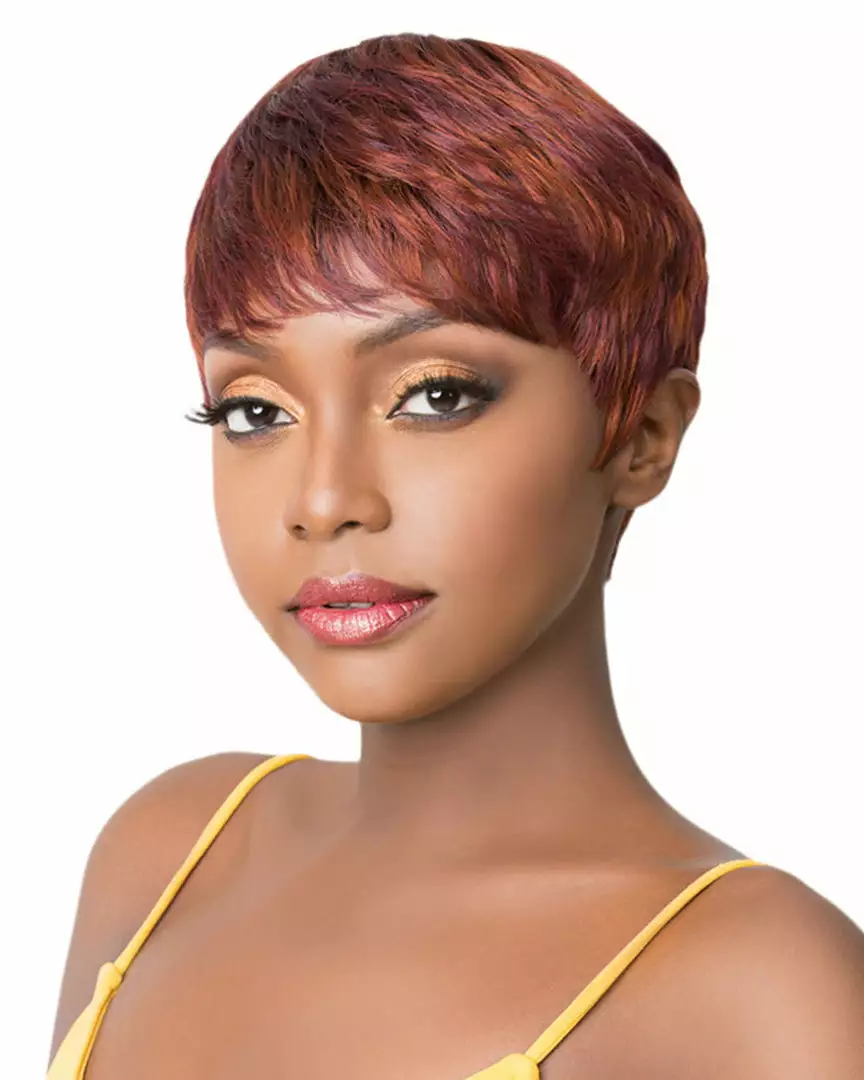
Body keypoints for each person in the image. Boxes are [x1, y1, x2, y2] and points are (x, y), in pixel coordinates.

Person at [47, 32, 864, 1080]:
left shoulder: (768, 994)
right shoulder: (171, 850)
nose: (325, 500)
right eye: (255, 410)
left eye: (434, 395)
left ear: (644, 436)